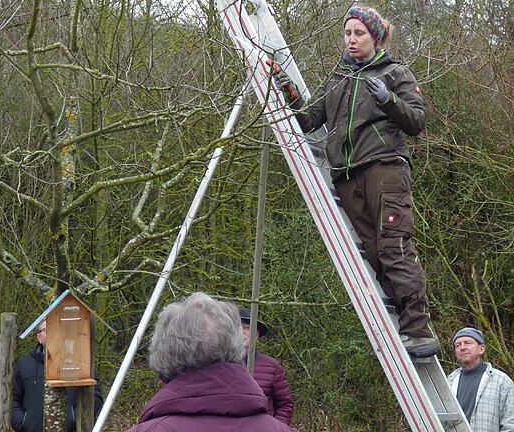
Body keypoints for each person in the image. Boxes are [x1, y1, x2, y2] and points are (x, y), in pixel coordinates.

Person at [268, 6, 437, 356]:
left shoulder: (395, 72)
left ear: (374, 37)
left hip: (383, 167)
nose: (351, 39)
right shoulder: (339, 78)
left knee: (395, 246)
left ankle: (419, 329)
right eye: (347, 33)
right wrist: (285, 86)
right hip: (346, 175)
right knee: (374, 252)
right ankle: (403, 327)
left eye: (358, 33)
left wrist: (388, 99)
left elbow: (417, 122)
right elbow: (309, 119)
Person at [125, 292, 295, 432]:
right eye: (243, 327)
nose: (247, 333)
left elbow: (284, 402)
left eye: (250, 329)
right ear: (235, 349)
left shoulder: (272, 366)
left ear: (162, 362)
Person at [11, 320, 104, 431]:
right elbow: (13, 400)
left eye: (57, 329)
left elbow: (94, 395)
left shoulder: (80, 363)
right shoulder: (24, 365)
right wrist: (24, 422)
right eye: (47, 330)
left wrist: (75, 418)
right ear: (39, 337)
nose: (53, 333)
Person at [446, 327, 514, 432]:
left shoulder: (501, 381)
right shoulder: (448, 382)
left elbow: (513, 425)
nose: (462, 347)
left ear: (481, 349)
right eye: (458, 345)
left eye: (467, 343)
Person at [240, 308, 295, 425]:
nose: (242, 332)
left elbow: (285, 404)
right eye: (238, 327)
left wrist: (275, 428)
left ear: (256, 334)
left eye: (247, 328)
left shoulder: (272, 367)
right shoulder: (222, 365)